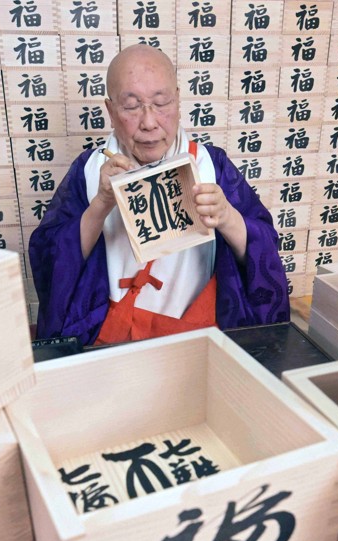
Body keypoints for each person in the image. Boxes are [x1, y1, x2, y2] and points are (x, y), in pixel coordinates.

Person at [29, 44, 289, 345]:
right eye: (131, 106)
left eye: (161, 102)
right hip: (109, 335)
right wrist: (100, 205)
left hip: (195, 334)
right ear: (110, 111)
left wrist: (227, 216)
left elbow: (265, 247)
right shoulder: (90, 170)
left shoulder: (210, 164)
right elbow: (48, 259)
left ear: (178, 101)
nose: (149, 122)